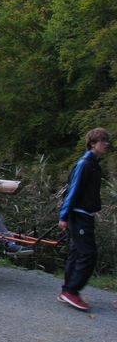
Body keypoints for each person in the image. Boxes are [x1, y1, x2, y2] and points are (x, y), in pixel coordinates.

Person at [57, 128, 110, 311]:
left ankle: (67, 290)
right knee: (88, 254)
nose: (107, 144)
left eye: (107, 141)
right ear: (93, 144)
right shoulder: (85, 163)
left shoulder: (94, 164)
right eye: (103, 141)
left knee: (77, 252)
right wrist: (63, 216)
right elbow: (73, 190)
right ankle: (72, 291)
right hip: (78, 215)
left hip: (84, 215)